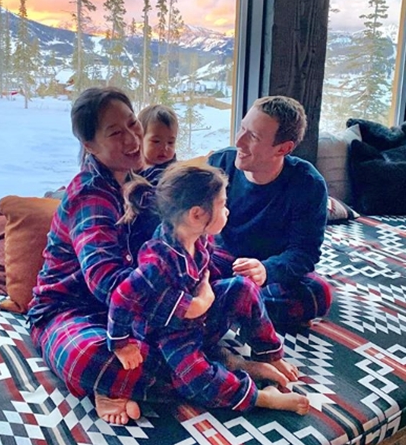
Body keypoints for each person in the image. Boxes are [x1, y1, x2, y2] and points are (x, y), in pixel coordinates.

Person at [107, 162, 310, 414]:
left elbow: (208, 278)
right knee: (194, 377)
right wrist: (120, 344)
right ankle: (260, 397)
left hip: (201, 321)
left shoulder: (199, 238)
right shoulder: (157, 261)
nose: (227, 211)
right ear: (196, 215)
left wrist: (207, 295)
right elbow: (121, 297)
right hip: (170, 335)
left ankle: (267, 355)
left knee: (242, 287)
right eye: (222, 205)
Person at [28, 87, 168, 426]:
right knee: (88, 357)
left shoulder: (139, 183)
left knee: (212, 311)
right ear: (90, 145)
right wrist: (174, 302)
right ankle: (203, 375)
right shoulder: (90, 194)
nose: (132, 138)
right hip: (68, 310)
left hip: (123, 314)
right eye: (115, 133)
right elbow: (106, 281)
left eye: (133, 123)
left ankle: (132, 380)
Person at [208, 95, 332, 326]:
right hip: (221, 258)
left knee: (318, 293)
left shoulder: (308, 183)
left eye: (253, 136)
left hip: (267, 269)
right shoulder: (218, 164)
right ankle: (241, 305)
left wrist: (265, 270)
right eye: (242, 129)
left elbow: (304, 252)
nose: (239, 142)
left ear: (283, 148)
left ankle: (223, 303)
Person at [137, 104, 179, 184]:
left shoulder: (170, 173)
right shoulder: (132, 166)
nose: (165, 148)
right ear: (140, 139)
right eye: (156, 141)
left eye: (170, 142)